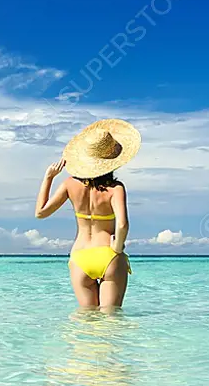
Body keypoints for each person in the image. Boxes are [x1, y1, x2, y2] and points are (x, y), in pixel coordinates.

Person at [34, 119, 141, 310]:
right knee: (111, 320)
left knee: (86, 319)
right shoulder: (116, 188)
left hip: (80, 257)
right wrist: (117, 247)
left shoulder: (69, 184)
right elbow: (123, 225)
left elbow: (40, 213)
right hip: (108, 255)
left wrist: (48, 178)